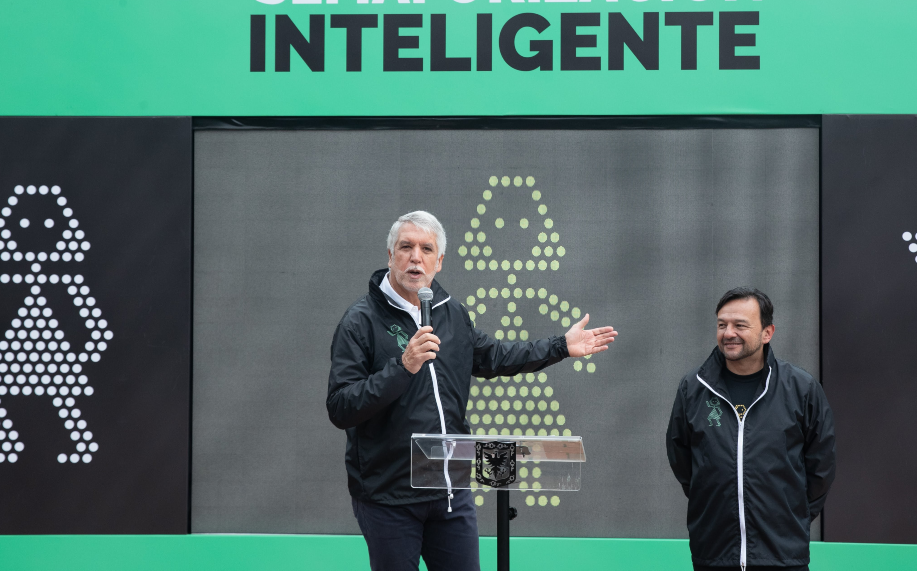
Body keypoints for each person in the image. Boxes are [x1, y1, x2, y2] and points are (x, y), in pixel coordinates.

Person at [327, 210, 617, 571]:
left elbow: (496, 356)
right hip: (389, 498)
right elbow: (340, 407)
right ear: (390, 256)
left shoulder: (452, 315)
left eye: (426, 249)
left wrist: (560, 346)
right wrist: (402, 367)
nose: (416, 257)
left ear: (440, 261)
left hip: (451, 493)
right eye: (406, 247)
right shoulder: (360, 321)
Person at [666, 288, 835, 571]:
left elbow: (821, 466)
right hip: (714, 554)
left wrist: (793, 513)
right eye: (722, 325)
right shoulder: (693, 388)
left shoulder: (801, 388)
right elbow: (682, 460)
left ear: (767, 332)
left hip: (782, 555)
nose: (728, 333)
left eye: (740, 325)